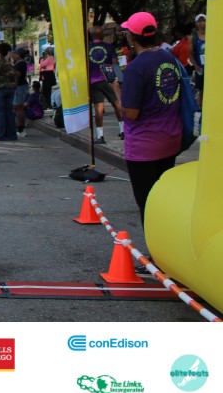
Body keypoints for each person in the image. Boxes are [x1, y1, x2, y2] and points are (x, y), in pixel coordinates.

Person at [120, 12, 183, 230]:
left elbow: (131, 113)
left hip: (144, 147)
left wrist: (116, 92)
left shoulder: (136, 68)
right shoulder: (169, 58)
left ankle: (154, 249)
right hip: (170, 140)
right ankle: (166, 245)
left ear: (132, 37)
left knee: (147, 205)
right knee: (163, 202)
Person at [87, 25, 125, 144]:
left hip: (94, 80)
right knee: (117, 104)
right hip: (109, 79)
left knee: (98, 108)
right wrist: (119, 79)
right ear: (102, 35)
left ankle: (100, 136)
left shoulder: (86, 49)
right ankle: (123, 131)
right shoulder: (109, 47)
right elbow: (115, 63)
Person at [0, 42, 18, 141]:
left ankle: (1, 135)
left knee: (0, 113)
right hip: (10, 89)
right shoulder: (10, 64)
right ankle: (12, 134)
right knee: (10, 112)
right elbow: (14, 77)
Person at [189, 13, 207, 109]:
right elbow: (190, 53)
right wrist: (196, 66)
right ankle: (202, 110)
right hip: (200, 68)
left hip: (213, 67)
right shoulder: (194, 37)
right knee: (201, 90)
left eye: (203, 20)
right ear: (196, 23)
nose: (201, 23)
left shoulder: (213, 33)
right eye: (199, 21)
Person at [12, 48, 30, 137]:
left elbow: (16, 75)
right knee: (17, 107)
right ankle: (19, 126)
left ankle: (21, 128)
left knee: (19, 107)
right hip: (20, 86)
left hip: (20, 86)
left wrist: (14, 85)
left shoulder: (20, 63)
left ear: (19, 55)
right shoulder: (19, 63)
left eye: (15, 53)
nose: (13, 55)